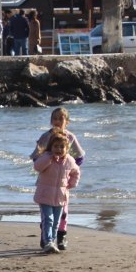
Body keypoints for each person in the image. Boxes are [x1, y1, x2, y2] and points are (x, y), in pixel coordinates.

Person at [30, 107, 86, 251]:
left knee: (62, 213)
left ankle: (60, 236)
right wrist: (48, 161)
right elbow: (36, 158)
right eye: (55, 118)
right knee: (47, 215)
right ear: (51, 121)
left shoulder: (70, 137)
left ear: (67, 122)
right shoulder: (46, 137)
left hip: (62, 184)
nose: (57, 121)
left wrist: (68, 172)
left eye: (61, 119)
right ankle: (46, 237)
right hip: (47, 182)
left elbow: (79, 158)